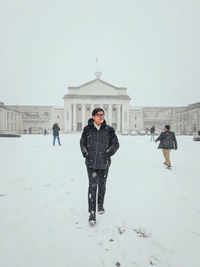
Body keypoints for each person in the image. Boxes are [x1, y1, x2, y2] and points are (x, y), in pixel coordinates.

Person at [80, 108, 119, 225]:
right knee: (92, 187)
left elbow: (116, 144)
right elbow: (82, 143)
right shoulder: (87, 129)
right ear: (93, 117)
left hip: (104, 163)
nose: (101, 117)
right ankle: (92, 212)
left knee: (102, 185)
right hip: (91, 164)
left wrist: (108, 153)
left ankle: (100, 204)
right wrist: (86, 153)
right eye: (99, 115)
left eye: (103, 115)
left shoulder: (109, 130)